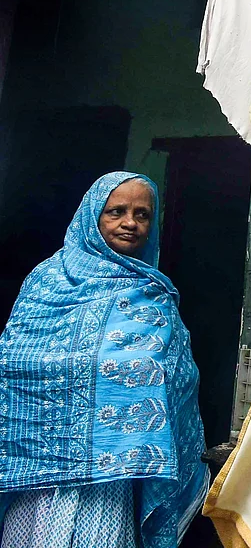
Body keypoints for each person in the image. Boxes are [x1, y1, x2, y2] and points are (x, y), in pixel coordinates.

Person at [0, 173, 207, 548]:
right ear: (92, 216)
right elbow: (13, 363)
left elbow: (176, 378)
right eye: (117, 211)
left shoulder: (152, 293)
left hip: (111, 480)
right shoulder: (45, 281)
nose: (131, 223)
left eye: (142, 214)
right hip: (36, 474)